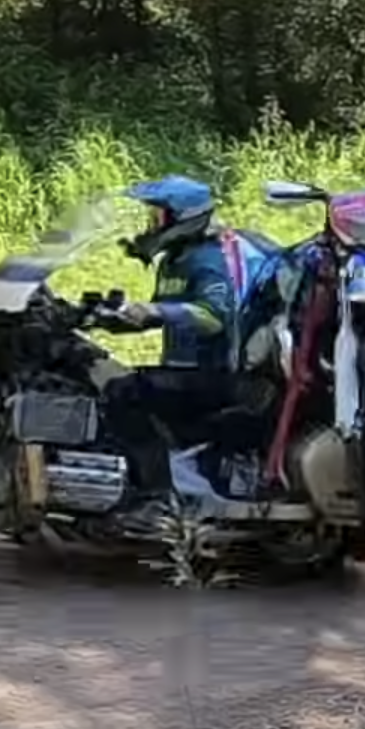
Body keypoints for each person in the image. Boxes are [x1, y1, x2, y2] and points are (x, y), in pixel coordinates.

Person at [94, 174, 242, 536]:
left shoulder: (208, 259)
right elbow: (157, 313)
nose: (151, 224)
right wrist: (106, 320)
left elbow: (214, 316)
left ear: (182, 219)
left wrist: (158, 313)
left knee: (124, 393)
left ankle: (157, 498)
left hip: (212, 375)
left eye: (158, 216)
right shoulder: (174, 261)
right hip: (181, 371)